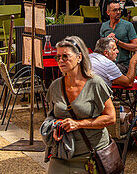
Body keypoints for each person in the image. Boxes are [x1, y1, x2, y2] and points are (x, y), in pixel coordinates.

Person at [43, 36, 116, 174]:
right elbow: (50, 116)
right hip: (62, 153)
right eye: (57, 57)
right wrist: (54, 127)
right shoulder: (55, 86)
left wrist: (79, 124)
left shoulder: (95, 83)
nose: (60, 60)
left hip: (90, 155)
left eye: (65, 56)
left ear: (79, 57)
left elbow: (111, 118)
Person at [98, 0, 137, 70]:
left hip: (123, 64)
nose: (118, 12)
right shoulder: (104, 26)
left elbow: (135, 47)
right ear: (108, 12)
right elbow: (100, 48)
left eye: (119, 9)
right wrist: (107, 41)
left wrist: (117, 42)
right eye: (115, 10)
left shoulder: (128, 25)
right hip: (107, 63)